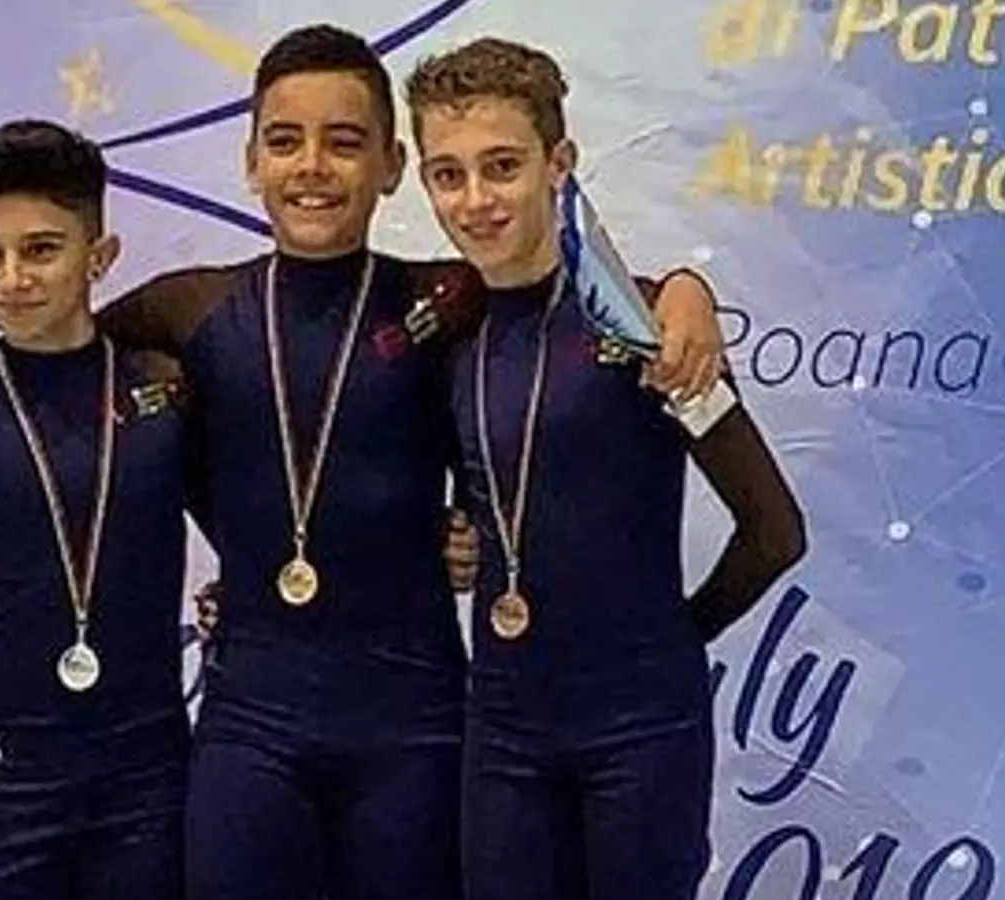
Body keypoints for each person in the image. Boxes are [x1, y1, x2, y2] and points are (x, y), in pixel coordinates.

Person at [0, 25, 728, 900]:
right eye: (283, 141)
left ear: (391, 166)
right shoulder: (193, 309)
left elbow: (559, 295)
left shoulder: (444, 298)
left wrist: (686, 289)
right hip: (251, 734)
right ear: (250, 162)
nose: (311, 166)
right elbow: (46, 336)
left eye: (343, 142)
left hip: (416, 733)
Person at [403, 37, 808, 900]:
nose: (475, 199)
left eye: (503, 166)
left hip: (640, 736)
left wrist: (672, 639)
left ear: (560, 163)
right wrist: (453, 539)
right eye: (448, 174)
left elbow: (775, 533)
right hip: (502, 735)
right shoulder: (447, 332)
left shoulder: (647, 322)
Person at [0, 120, 201, 900]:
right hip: (7, 777)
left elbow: (255, 515)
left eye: (40, 250)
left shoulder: (168, 387)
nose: (11, 278)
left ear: (100, 256)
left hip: (150, 773)